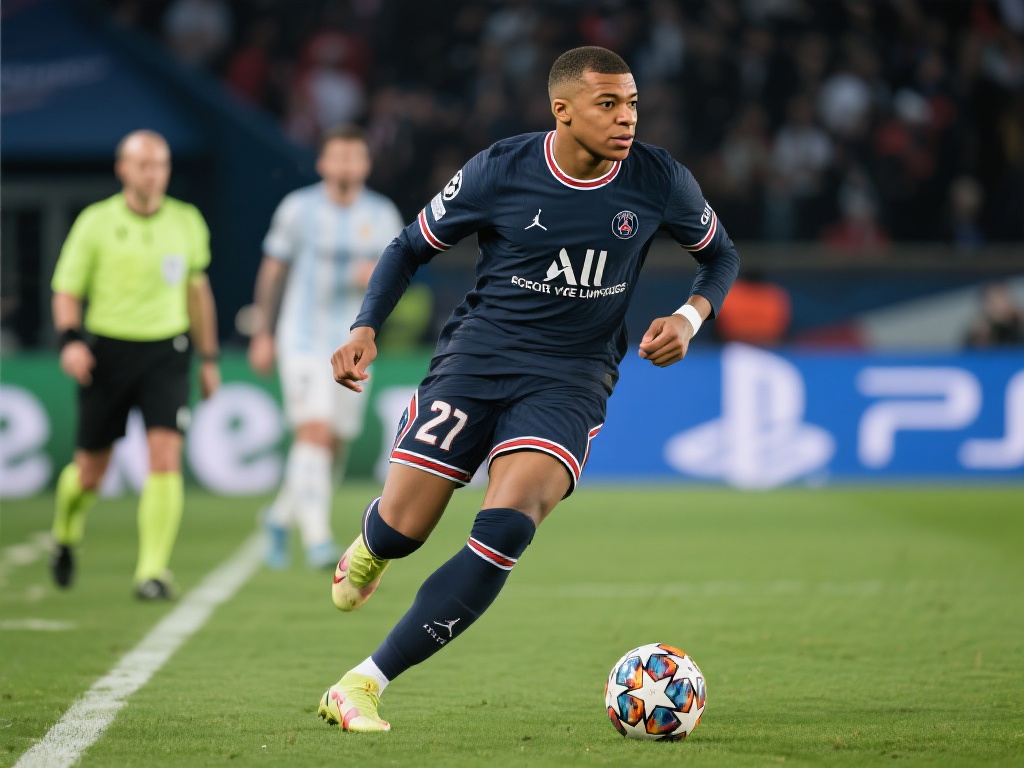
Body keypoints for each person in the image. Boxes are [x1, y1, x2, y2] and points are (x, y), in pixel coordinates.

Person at [318, 46, 740, 732]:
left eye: (632, 103)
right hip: (476, 360)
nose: (627, 118)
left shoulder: (659, 178)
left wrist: (690, 317)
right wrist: (365, 327)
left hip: (572, 377)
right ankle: (373, 543)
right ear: (562, 110)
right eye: (608, 104)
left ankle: (362, 683)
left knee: (508, 526)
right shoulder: (500, 169)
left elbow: (719, 255)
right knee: (402, 530)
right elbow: (408, 247)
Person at [49, 129, 221, 600]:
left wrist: (208, 357)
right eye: (143, 164)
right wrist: (70, 341)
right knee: (90, 473)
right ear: (122, 169)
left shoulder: (186, 221)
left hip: (167, 351)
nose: (153, 173)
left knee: (165, 456)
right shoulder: (96, 222)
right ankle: (65, 532)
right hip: (107, 352)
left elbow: (197, 291)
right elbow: (66, 290)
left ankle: (152, 572)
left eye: (161, 164)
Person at [248, 124, 404, 569]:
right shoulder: (298, 209)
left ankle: (278, 517)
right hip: (301, 338)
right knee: (314, 430)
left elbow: (399, 274)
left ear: (366, 164)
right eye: (339, 156)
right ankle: (318, 540)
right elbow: (273, 270)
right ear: (322, 163)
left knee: (333, 441)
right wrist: (262, 332)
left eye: (354, 157)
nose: (346, 165)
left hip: (354, 342)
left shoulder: (382, 214)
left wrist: (376, 276)